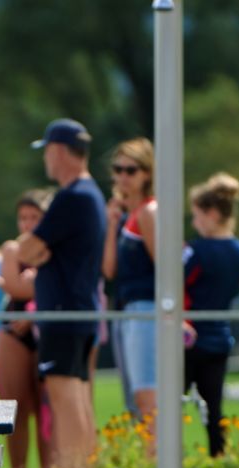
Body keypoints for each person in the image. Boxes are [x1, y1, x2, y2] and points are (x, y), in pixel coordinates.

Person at [15, 118, 105, 468]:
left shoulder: (71, 197)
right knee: (79, 398)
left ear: (58, 152)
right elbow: (35, 252)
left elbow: (25, 250)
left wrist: (35, 251)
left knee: (65, 400)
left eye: (48, 153)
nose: (46, 161)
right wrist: (39, 252)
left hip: (63, 314)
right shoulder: (91, 194)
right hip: (80, 311)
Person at [183, 173, 239, 457]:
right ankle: (218, 461)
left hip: (188, 337)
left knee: (171, 405)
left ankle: (166, 465)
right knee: (215, 408)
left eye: (196, 216)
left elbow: (179, 284)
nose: (194, 223)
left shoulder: (196, 250)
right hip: (220, 338)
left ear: (211, 214)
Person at [102, 137, 159, 434]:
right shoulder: (127, 217)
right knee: (136, 401)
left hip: (146, 310)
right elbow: (109, 270)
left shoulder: (150, 212)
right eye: (118, 169)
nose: (122, 176)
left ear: (146, 173)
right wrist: (112, 223)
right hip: (126, 311)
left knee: (147, 396)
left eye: (131, 170)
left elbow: (165, 268)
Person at [0, 190, 53, 468]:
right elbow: (14, 288)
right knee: (15, 408)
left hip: (46, 329)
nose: (28, 225)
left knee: (48, 408)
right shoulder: (12, 249)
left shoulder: (54, 247)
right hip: (14, 332)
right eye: (23, 218)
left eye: (35, 218)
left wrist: (33, 315)